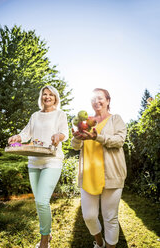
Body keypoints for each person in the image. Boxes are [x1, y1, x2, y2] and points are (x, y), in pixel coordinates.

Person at [8, 85, 69, 248]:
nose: (47, 97)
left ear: (55, 97)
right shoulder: (35, 116)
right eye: (44, 94)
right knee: (40, 201)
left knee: (42, 200)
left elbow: (65, 132)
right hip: (34, 161)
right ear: (41, 97)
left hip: (52, 160)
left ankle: (44, 241)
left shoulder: (60, 114)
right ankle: (47, 233)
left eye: (50, 94)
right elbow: (26, 133)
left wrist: (58, 136)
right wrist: (17, 137)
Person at [71, 88, 127, 248]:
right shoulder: (86, 122)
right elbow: (76, 146)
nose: (96, 101)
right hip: (88, 174)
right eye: (93, 99)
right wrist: (76, 137)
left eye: (100, 98)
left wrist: (97, 137)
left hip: (111, 173)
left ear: (108, 100)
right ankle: (99, 243)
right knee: (89, 216)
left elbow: (119, 141)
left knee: (110, 217)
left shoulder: (115, 119)